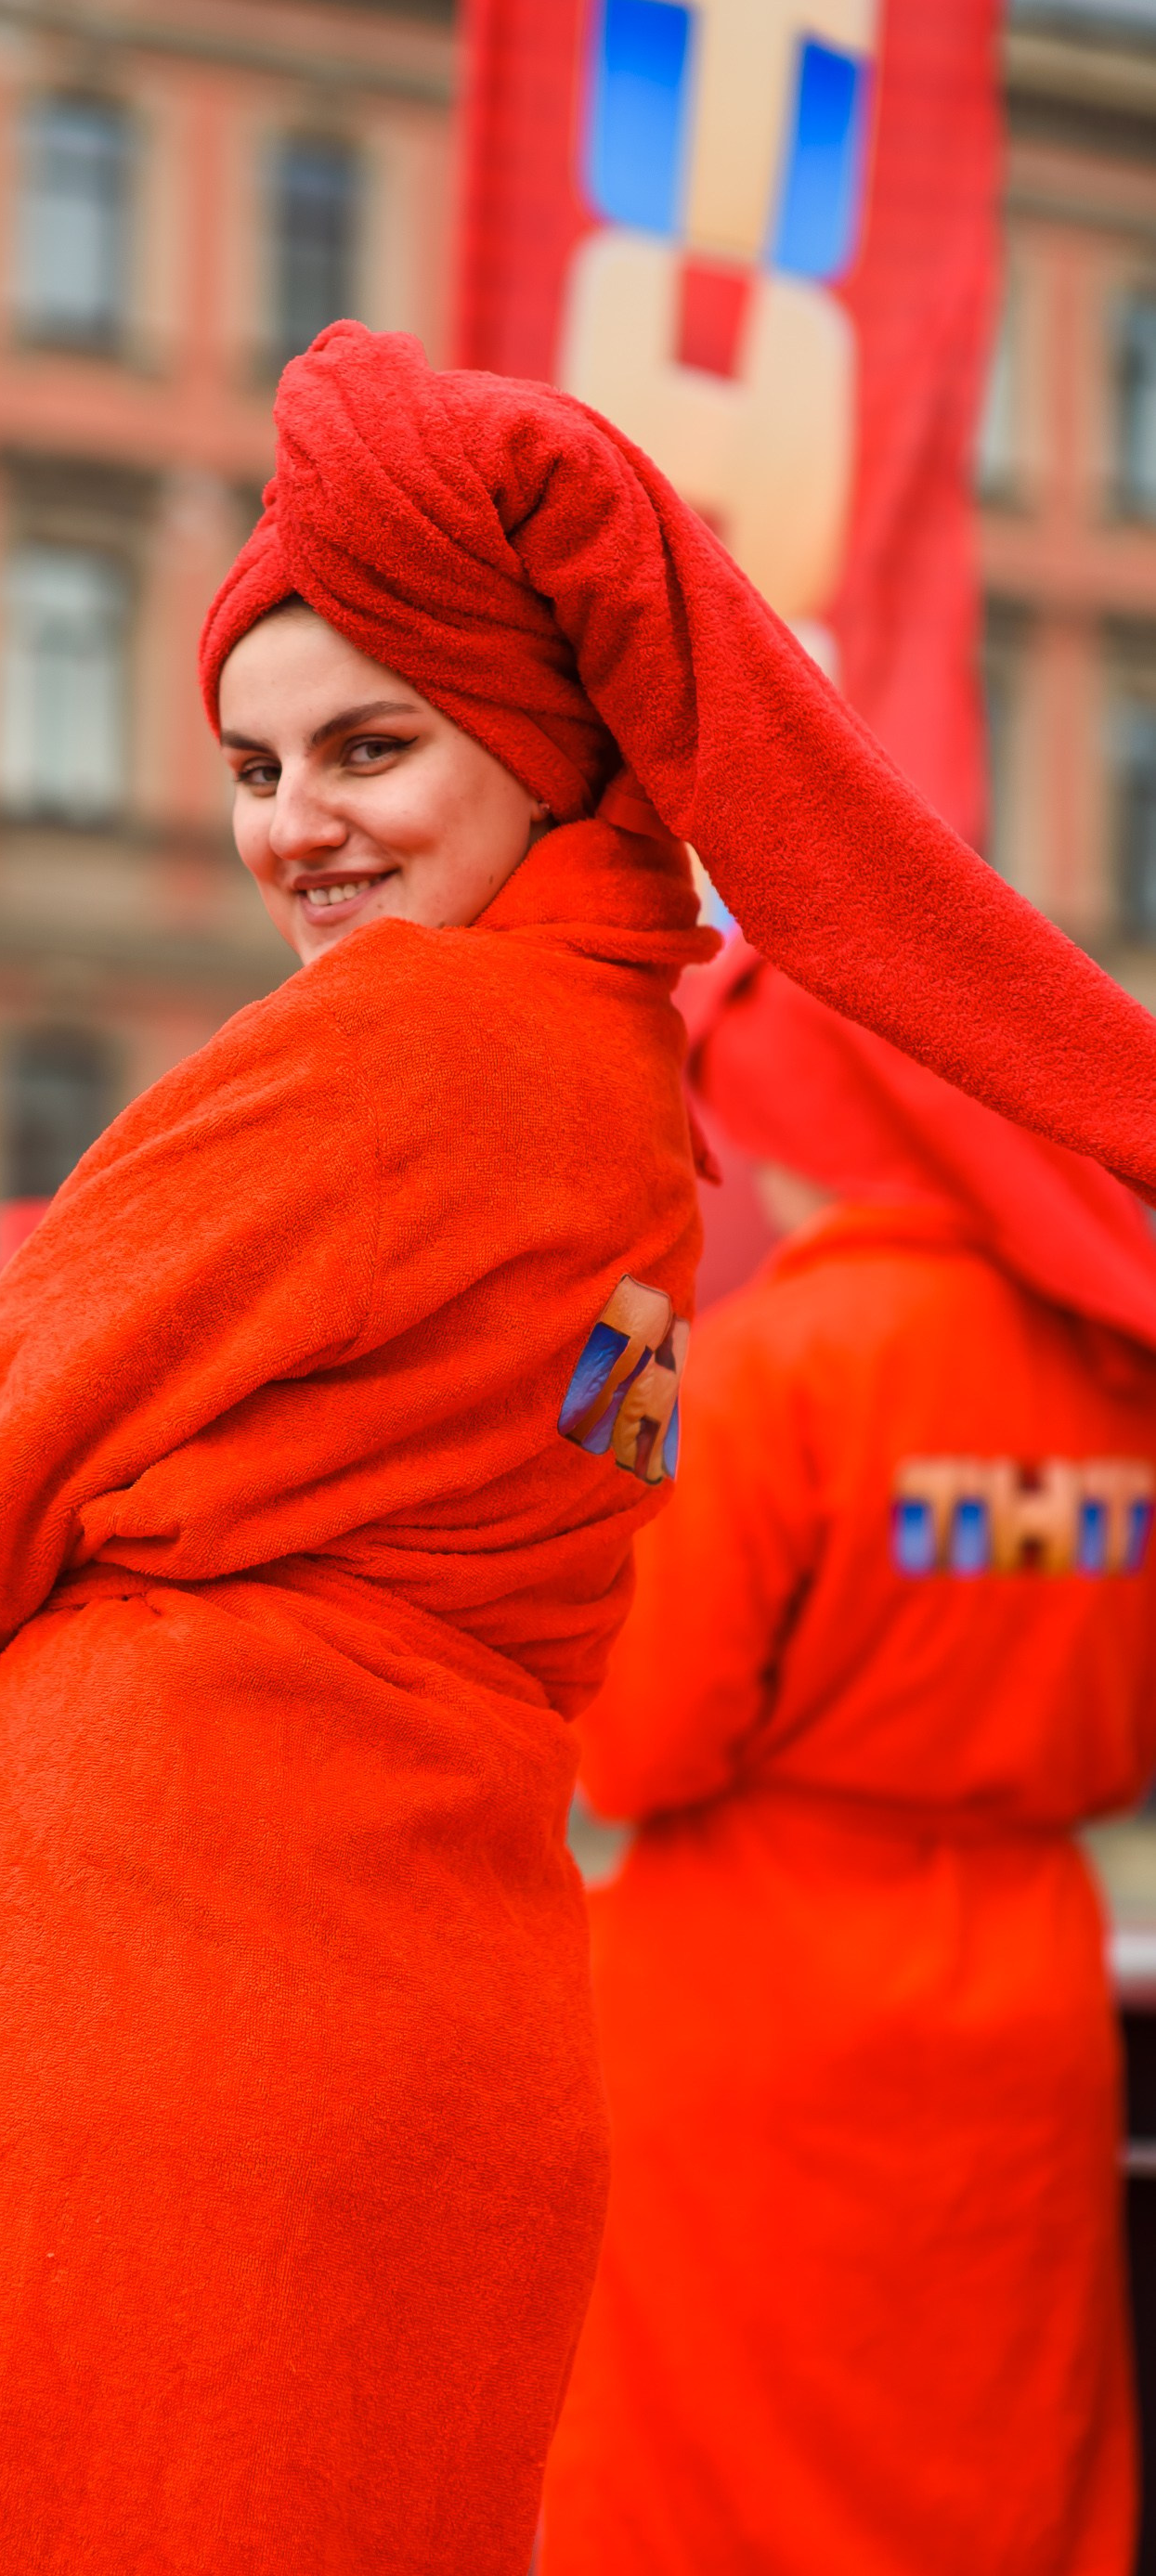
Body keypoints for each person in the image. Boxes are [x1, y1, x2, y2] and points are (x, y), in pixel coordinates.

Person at [0, 327, 1156, 2576]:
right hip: (467, 1992)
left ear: (545, 745)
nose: (296, 824)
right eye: (251, 764)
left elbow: (5, 1407)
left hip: (161, 1968)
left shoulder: (412, 1034)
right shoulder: (632, 1132)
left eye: (370, 747)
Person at [540, 944, 1156, 2576]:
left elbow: (633, 1746)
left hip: (752, 2002)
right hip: (1028, 1993)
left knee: (710, 2479)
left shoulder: (729, 1368)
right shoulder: (1125, 1368)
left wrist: (606, 1371)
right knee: (1001, 2458)